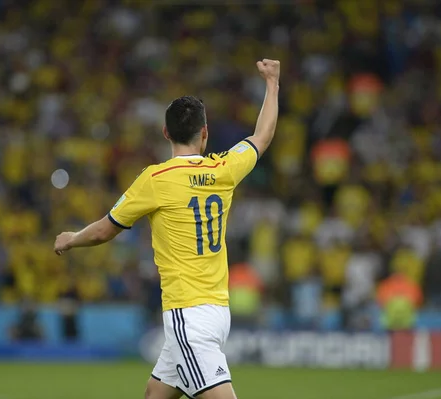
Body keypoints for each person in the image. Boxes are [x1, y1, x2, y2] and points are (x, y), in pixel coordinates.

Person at [54, 59, 280, 399]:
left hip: (188, 314)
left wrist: (72, 239)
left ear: (165, 133)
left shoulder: (155, 180)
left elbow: (104, 230)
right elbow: (262, 136)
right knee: (154, 394)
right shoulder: (225, 169)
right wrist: (272, 83)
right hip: (217, 312)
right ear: (204, 133)